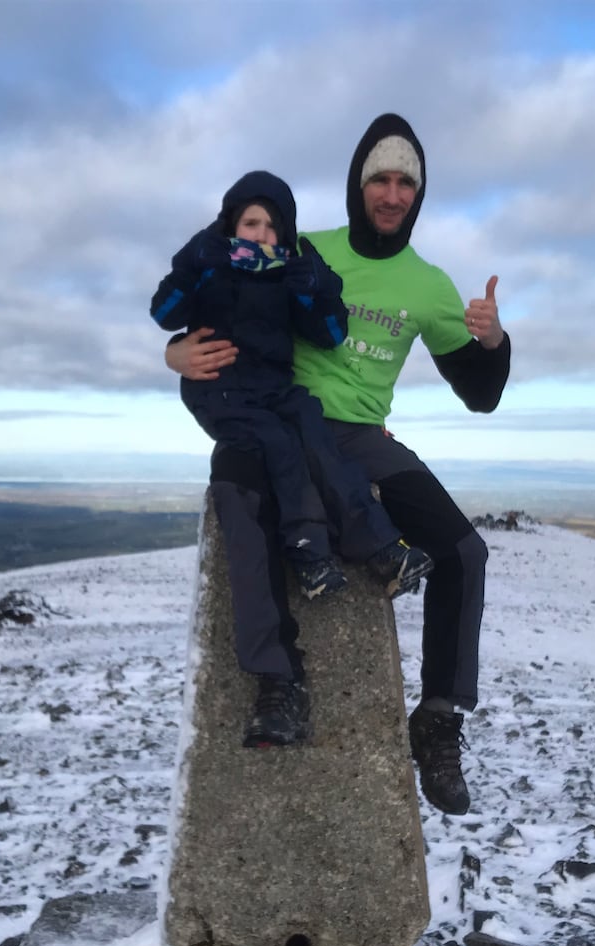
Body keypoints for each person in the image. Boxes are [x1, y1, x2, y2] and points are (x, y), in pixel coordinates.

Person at [165, 115, 510, 815]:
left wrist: (495, 340)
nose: (391, 194)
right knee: (244, 507)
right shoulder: (303, 246)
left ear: (418, 193)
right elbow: (215, 298)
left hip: (358, 436)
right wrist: (175, 354)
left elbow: (481, 394)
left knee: (465, 552)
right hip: (274, 416)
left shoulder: (429, 285)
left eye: (404, 182)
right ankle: (277, 684)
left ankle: (438, 716)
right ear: (359, 185)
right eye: (379, 179)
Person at [151, 171, 433, 634]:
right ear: (231, 226)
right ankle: (309, 552)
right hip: (220, 390)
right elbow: (164, 314)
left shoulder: (290, 269)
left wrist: (319, 289)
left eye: (272, 227)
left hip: (276, 389)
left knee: (316, 437)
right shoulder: (208, 263)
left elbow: (331, 335)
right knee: (280, 443)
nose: (261, 235)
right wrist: (190, 267)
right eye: (250, 224)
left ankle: (383, 549)